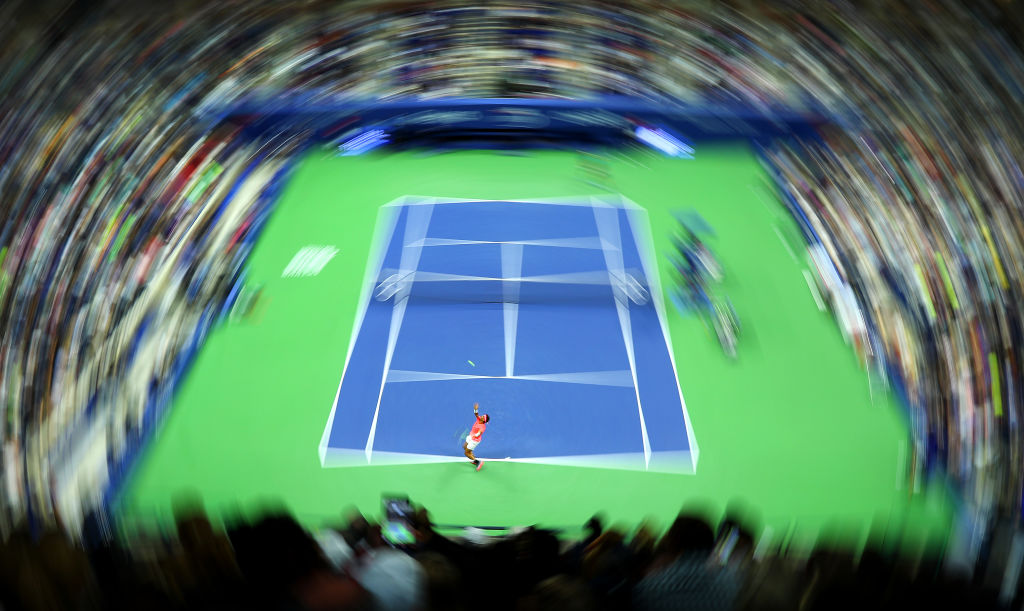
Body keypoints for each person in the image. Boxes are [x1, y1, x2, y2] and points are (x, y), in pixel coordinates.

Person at [462, 403, 489, 471]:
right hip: (471, 436)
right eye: (483, 415)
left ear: (484, 420)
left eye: (483, 417)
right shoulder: (479, 419)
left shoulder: (483, 427)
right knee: (465, 446)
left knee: (466, 453)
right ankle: (473, 458)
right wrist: (475, 409)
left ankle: (478, 462)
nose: (482, 416)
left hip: (475, 440)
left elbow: (479, 433)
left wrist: (475, 435)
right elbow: (476, 414)